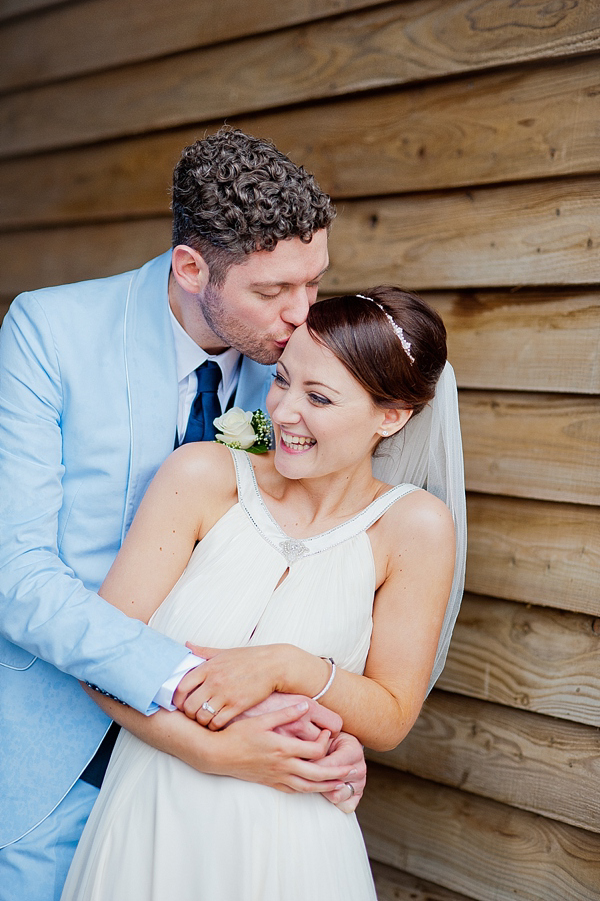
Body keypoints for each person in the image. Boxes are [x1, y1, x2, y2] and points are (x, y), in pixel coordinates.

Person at [0, 128, 367, 901]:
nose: (303, 318)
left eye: (313, 283)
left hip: (231, 783)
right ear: (191, 267)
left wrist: (323, 729)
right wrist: (184, 683)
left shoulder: (305, 376)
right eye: (272, 293)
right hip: (54, 756)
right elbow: (18, 576)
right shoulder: (46, 332)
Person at [60, 287, 466, 900]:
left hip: (292, 839)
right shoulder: (201, 477)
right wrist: (211, 754)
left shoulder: (415, 529)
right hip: (153, 813)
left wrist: (287, 666)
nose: (283, 412)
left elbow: (389, 718)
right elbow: (100, 659)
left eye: (319, 397)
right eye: (281, 381)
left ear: (393, 416)